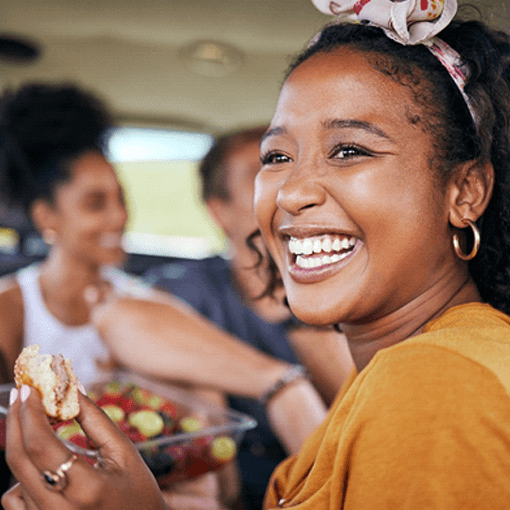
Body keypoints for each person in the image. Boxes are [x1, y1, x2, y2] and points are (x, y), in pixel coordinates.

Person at [5, 0, 510, 508]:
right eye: (278, 157)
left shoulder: (438, 382)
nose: (290, 193)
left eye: (349, 150)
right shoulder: (394, 376)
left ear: (464, 191)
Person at [0, 83, 239, 508]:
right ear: (45, 216)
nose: (119, 217)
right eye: (96, 203)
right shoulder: (10, 309)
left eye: (121, 199)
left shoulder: (156, 307)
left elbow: (215, 452)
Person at [143, 125, 353, 509]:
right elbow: (122, 316)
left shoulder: (343, 293)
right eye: (266, 169)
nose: (289, 188)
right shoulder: (189, 289)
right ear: (218, 211)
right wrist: (283, 386)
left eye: (292, 165)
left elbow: (360, 436)